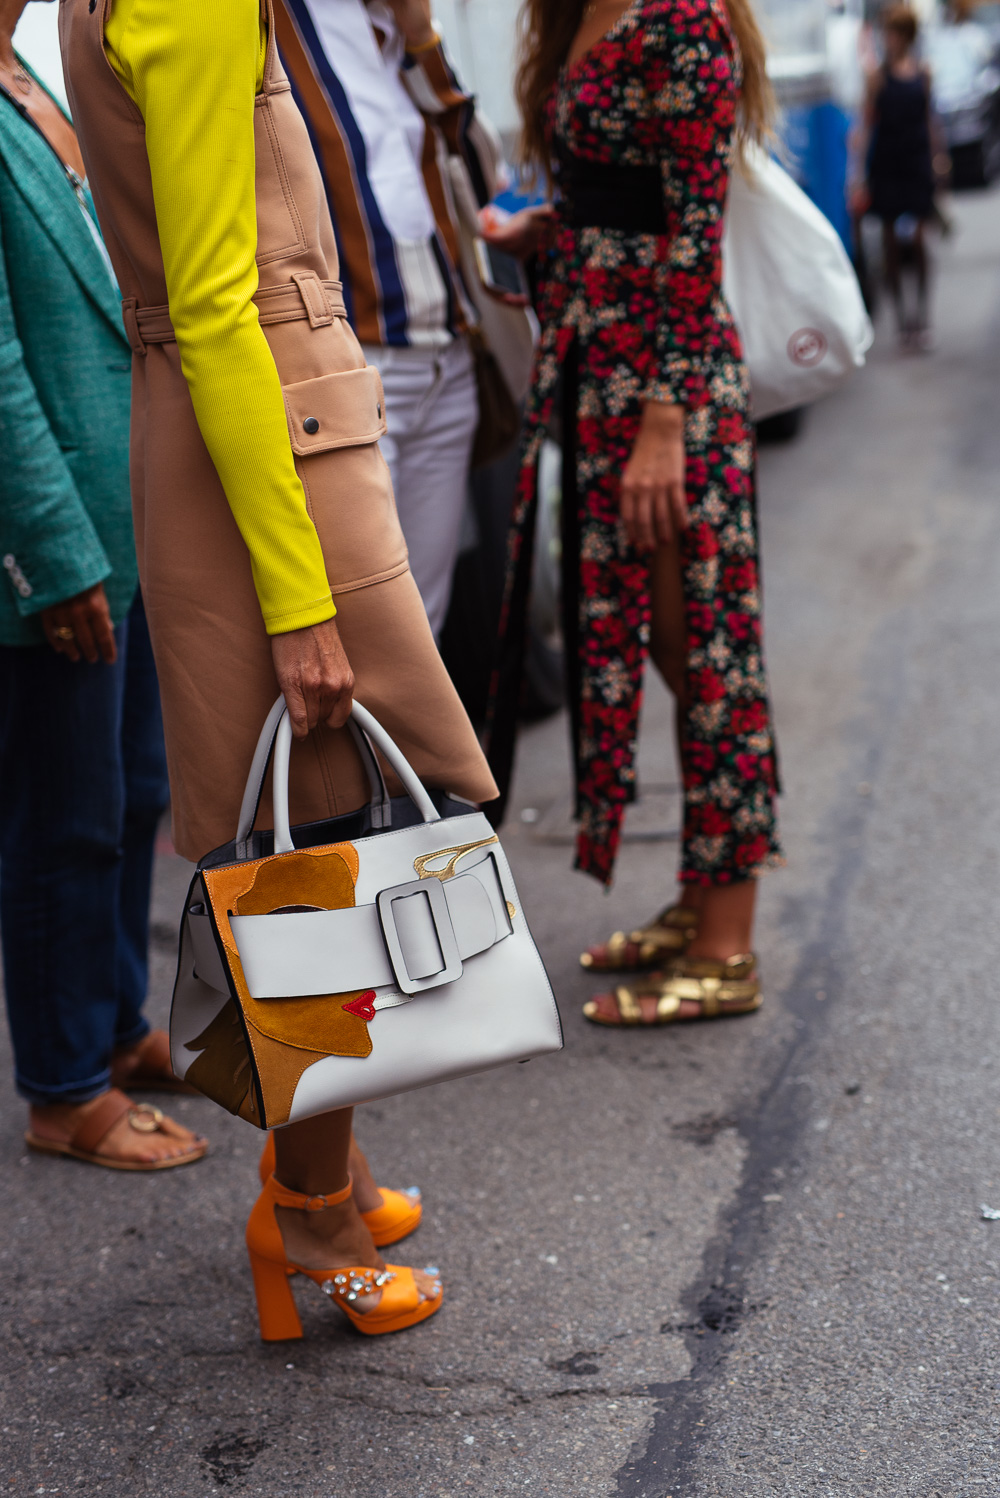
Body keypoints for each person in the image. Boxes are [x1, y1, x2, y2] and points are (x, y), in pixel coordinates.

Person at [60, 0, 497, 1338]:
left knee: (319, 841)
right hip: (272, 456)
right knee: (321, 854)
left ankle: (327, 1178)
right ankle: (305, 1219)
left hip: (272, 431)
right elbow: (210, 302)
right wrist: (297, 601)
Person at [485, 0, 782, 1026]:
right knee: (665, 648)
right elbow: (628, 196)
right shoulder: (581, 11)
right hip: (601, 369)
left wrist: (664, 417)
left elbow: (694, 231)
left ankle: (727, 947)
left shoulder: (681, 18)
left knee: (705, 656)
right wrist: (550, 231)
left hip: (667, 385)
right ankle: (704, 901)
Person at [0, 3, 205, 1171]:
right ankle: (64, 1086)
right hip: (58, 545)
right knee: (62, 821)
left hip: (121, 519)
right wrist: (53, 553)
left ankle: (120, 1024)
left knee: (131, 794)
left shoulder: (31, 86)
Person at [273, 0, 502, 639]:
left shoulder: (395, 31)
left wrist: (421, 38)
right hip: (353, 365)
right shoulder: (268, 25)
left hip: (447, 357)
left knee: (423, 627)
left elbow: (487, 180)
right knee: (373, 634)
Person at [853, 5, 940, 349]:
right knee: (890, 244)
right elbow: (865, 124)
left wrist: (939, 162)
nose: (888, 39)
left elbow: (931, 120)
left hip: (916, 162)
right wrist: (857, 173)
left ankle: (922, 317)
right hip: (887, 165)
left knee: (918, 242)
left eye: (893, 33)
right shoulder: (876, 76)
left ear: (906, 37)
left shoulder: (923, 73)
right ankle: (903, 321)